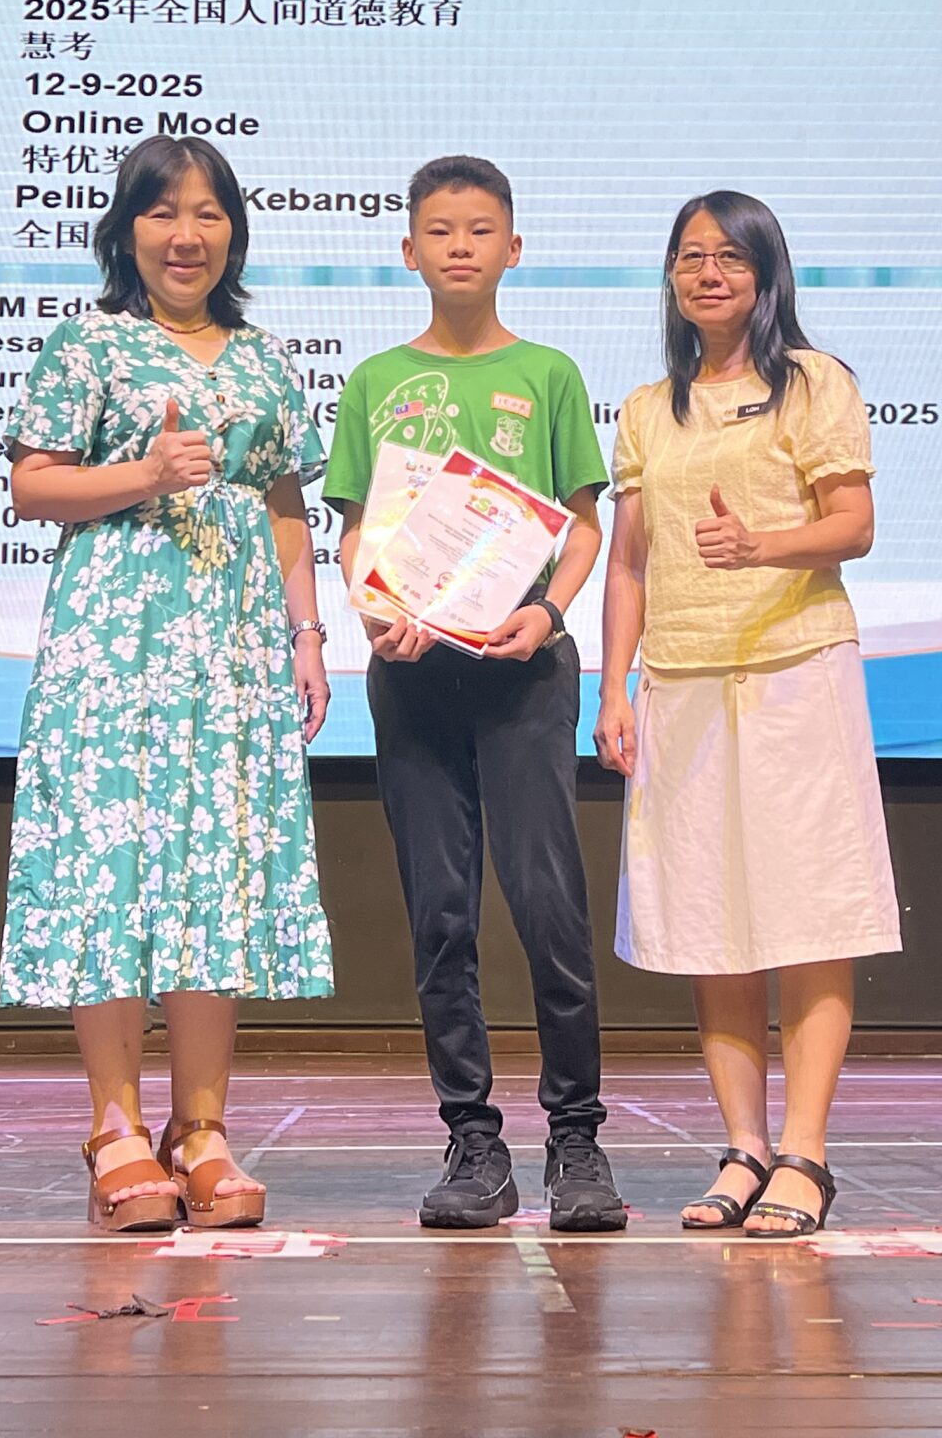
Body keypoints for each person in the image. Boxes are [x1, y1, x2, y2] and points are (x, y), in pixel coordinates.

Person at [2, 134, 335, 1234]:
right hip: (113, 641)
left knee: (213, 868)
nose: (186, 235)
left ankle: (202, 1130)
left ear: (233, 231)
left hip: (232, 647)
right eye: (162, 213)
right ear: (125, 230)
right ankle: (114, 1129)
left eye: (207, 213)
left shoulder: (265, 359)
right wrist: (144, 473)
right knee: (110, 868)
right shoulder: (87, 344)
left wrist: (306, 635)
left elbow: (284, 505)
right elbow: (32, 488)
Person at [324, 155, 626, 1232]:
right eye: (441, 230)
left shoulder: (546, 374)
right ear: (408, 251)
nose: (461, 246)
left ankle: (577, 1139)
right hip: (413, 672)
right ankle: (472, 1139)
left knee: (548, 904)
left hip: (524, 669)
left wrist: (549, 614)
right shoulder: (375, 381)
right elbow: (354, 530)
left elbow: (583, 523)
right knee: (440, 913)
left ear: (514, 247)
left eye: (481, 228)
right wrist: (374, 610)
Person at [592, 190, 902, 1238]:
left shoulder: (812, 382)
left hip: (794, 673)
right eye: (690, 257)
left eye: (730, 256)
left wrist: (760, 545)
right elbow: (629, 564)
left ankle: (805, 1154)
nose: (708, 273)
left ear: (766, 273)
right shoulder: (650, 407)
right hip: (681, 682)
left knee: (811, 916)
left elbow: (853, 524)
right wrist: (613, 685)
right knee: (710, 924)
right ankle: (743, 1149)